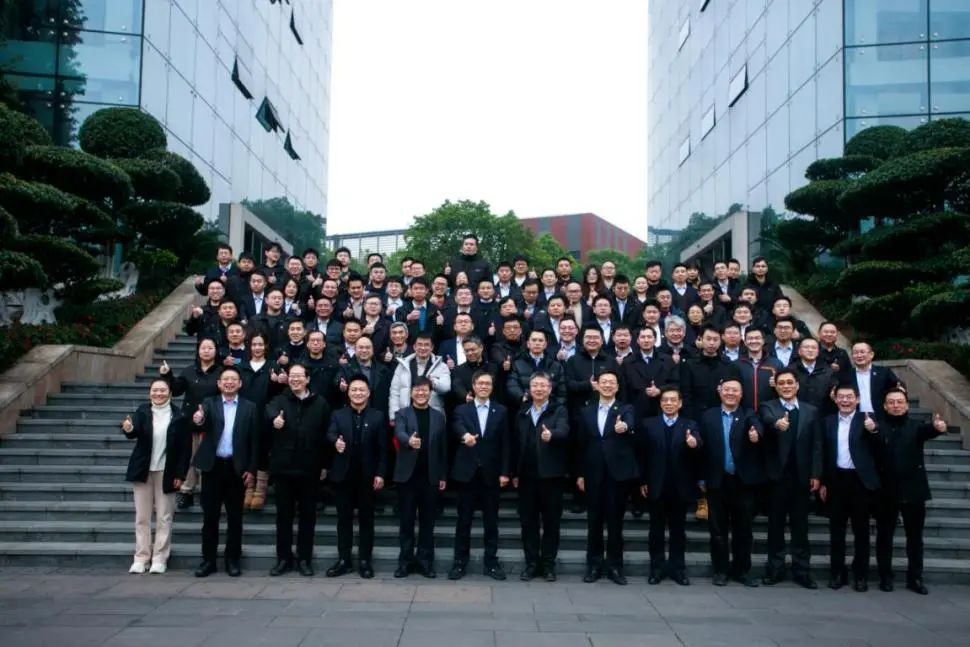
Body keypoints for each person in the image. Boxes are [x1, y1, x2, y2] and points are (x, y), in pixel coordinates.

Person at [875, 389, 949, 594]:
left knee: (915, 538)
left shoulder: (916, 426)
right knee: (884, 536)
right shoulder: (877, 427)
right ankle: (885, 577)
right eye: (891, 402)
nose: (896, 405)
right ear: (885, 406)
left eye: (900, 402)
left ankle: (915, 578)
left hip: (913, 490)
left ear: (907, 405)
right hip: (886, 491)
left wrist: (938, 427)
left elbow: (931, 430)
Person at [191, 367, 259, 578]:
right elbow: (201, 421)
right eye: (225, 379)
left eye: (233, 379)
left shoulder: (250, 407)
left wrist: (251, 469)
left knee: (235, 517)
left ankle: (232, 559)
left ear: (240, 384)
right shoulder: (209, 403)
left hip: (237, 468)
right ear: (219, 383)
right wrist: (199, 419)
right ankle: (208, 560)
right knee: (210, 517)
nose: (229, 382)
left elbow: (255, 441)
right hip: (213, 467)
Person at [696, 377, 764, 587]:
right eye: (726, 390)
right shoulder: (708, 416)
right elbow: (701, 449)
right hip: (717, 480)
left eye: (735, 390)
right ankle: (720, 571)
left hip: (742, 482)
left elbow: (757, 428)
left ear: (741, 394)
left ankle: (742, 571)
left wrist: (756, 435)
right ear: (720, 392)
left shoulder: (749, 414)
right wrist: (701, 477)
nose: (730, 393)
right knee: (718, 531)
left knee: (744, 530)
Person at [265, 364, 331, 577]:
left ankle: (304, 559)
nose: (295, 379)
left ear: (307, 379)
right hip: (283, 468)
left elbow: (326, 435)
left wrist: (325, 465)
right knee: (283, 517)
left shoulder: (320, 403)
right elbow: (268, 412)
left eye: (299, 376)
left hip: (310, 468)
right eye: (292, 376)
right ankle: (283, 558)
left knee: (308, 517)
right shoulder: (279, 400)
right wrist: (274, 419)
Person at [759, 368, 823, 589]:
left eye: (789, 382)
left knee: (801, 527)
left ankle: (802, 571)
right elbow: (767, 420)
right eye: (781, 383)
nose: (786, 386)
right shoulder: (769, 407)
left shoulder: (811, 410)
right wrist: (777, 424)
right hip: (777, 477)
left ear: (797, 385)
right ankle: (775, 569)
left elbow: (817, 445)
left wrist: (816, 474)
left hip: (802, 478)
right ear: (776, 386)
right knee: (775, 526)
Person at [121, 379, 191, 574]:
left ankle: (160, 557)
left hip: (167, 472)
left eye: (162, 390)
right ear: (149, 392)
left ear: (170, 393)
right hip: (143, 470)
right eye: (155, 390)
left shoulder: (179, 416)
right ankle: (141, 557)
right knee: (142, 517)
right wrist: (128, 428)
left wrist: (181, 474)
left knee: (164, 516)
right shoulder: (143, 411)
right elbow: (133, 430)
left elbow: (185, 449)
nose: (158, 394)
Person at [575, 370, 638, 585]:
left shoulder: (626, 409)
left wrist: (624, 427)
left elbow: (630, 424)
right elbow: (581, 445)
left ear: (617, 387)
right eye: (604, 382)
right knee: (594, 522)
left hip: (617, 475)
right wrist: (580, 473)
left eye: (612, 382)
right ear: (597, 386)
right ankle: (593, 565)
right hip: (593, 474)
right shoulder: (587, 411)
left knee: (615, 523)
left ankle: (615, 566)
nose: (608, 385)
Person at [449, 371, 511, 581]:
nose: (484, 386)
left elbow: (506, 443)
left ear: (492, 387)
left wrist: (505, 472)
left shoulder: (501, 410)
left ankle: (491, 562)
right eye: (480, 383)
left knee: (491, 522)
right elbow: (456, 426)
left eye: (488, 383)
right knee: (463, 521)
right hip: (466, 473)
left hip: (491, 474)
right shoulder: (461, 409)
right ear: (473, 386)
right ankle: (459, 563)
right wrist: (464, 435)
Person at [325, 375, 388, 579]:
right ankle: (344, 560)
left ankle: (364, 561)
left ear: (368, 393)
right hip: (343, 476)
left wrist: (380, 473)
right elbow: (330, 434)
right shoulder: (338, 414)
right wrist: (335, 442)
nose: (358, 393)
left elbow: (383, 449)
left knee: (366, 521)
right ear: (348, 392)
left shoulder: (378, 416)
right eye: (354, 389)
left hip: (367, 477)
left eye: (362, 390)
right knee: (343, 520)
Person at [821, 384, 882, 591]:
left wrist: (873, 431)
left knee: (861, 531)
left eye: (849, 397)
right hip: (837, 480)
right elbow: (824, 453)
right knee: (836, 531)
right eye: (841, 397)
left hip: (860, 481)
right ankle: (837, 573)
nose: (845, 401)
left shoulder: (868, 420)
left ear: (857, 399)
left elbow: (880, 449)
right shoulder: (828, 422)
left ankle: (860, 574)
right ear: (835, 399)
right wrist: (823, 481)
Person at [639, 387, 702, 585]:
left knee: (678, 530)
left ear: (680, 403)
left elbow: (699, 445)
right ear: (660, 403)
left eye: (673, 400)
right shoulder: (649, 424)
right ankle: (656, 569)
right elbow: (642, 455)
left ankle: (678, 569)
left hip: (680, 486)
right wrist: (643, 480)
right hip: (656, 484)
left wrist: (694, 443)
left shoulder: (690, 424)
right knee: (655, 530)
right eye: (665, 400)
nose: (669, 403)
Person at [512, 372, 569, 581]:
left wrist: (551, 435)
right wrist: (513, 472)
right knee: (528, 523)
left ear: (550, 389)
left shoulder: (558, 409)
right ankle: (532, 563)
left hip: (551, 476)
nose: (539, 389)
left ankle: (548, 564)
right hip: (526, 476)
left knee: (551, 523)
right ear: (529, 389)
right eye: (535, 385)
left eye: (543, 385)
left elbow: (564, 430)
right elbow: (516, 442)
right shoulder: (523, 410)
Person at [393, 378, 448, 578]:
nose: (421, 393)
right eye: (417, 390)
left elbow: (443, 448)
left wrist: (443, 475)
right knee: (406, 522)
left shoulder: (438, 416)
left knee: (427, 523)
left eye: (424, 390)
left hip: (430, 477)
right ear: (411, 393)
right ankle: (405, 562)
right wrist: (409, 440)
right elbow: (399, 432)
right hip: (407, 477)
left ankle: (425, 562)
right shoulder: (402, 414)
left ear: (430, 393)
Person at [160, 338, 221, 510]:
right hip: (189, 423)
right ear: (198, 351)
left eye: (210, 347)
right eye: (203, 348)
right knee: (189, 457)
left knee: (210, 459)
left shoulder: (221, 372)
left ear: (216, 351)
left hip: (213, 424)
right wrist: (168, 375)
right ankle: (186, 491)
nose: (206, 351)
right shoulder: (189, 371)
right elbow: (177, 390)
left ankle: (209, 492)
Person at [621, 326, 679, 422]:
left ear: (655, 340)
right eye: (643, 337)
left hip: (661, 411)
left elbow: (675, 384)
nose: (646, 340)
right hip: (637, 412)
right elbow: (624, 391)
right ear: (637, 341)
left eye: (649, 337)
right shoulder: (628, 362)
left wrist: (660, 390)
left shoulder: (667, 360)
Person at [388, 332, 451, 418]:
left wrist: (433, 382)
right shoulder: (403, 365)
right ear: (414, 347)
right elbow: (394, 391)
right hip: (406, 415)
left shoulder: (441, 366)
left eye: (426, 345)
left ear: (432, 347)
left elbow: (446, 388)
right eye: (420, 344)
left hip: (433, 416)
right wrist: (393, 415)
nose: (423, 348)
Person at [838, 342, 900, 414]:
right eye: (855, 353)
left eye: (862, 352)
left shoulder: (884, 372)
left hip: (881, 415)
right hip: (856, 416)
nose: (859, 355)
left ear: (871, 354)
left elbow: (897, 388)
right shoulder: (846, 375)